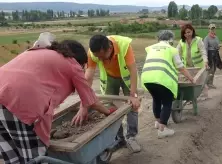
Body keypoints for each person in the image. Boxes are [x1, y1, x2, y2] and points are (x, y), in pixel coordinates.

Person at [0, 33, 127, 163]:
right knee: (34, 158)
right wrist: (108, 112)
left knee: (12, 155)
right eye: (83, 66)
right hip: (17, 101)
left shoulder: (40, 52)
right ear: (80, 61)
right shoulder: (72, 63)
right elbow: (91, 100)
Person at [85, 34, 141, 152]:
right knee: (108, 107)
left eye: (102, 57)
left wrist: (133, 95)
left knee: (133, 106)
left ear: (109, 48)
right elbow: (89, 74)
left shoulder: (124, 45)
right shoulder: (93, 52)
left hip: (126, 77)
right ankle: (119, 138)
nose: (99, 59)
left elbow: (133, 70)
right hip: (110, 77)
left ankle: (131, 137)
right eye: (97, 57)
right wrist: (84, 96)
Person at [141, 30, 195, 138]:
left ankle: (158, 122)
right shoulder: (172, 50)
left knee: (156, 99)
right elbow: (180, 67)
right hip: (162, 79)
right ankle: (162, 129)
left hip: (147, 77)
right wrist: (191, 79)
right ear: (170, 40)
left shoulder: (151, 47)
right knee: (167, 102)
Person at [177, 24, 209, 100]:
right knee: (190, 81)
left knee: (201, 81)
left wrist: (205, 61)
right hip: (187, 66)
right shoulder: (181, 42)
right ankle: (192, 96)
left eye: (189, 32)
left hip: (198, 65)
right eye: (185, 33)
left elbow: (203, 52)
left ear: (192, 31)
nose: (187, 34)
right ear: (183, 34)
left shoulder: (198, 40)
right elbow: (177, 53)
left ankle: (204, 96)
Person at [203, 24, 222, 89]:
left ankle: (210, 83)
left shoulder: (216, 37)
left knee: (214, 69)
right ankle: (208, 83)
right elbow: (205, 48)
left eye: (214, 29)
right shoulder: (206, 38)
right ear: (209, 29)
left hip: (215, 54)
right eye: (211, 29)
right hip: (209, 54)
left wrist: (218, 47)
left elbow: (217, 46)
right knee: (210, 69)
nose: (212, 30)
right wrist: (206, 58)